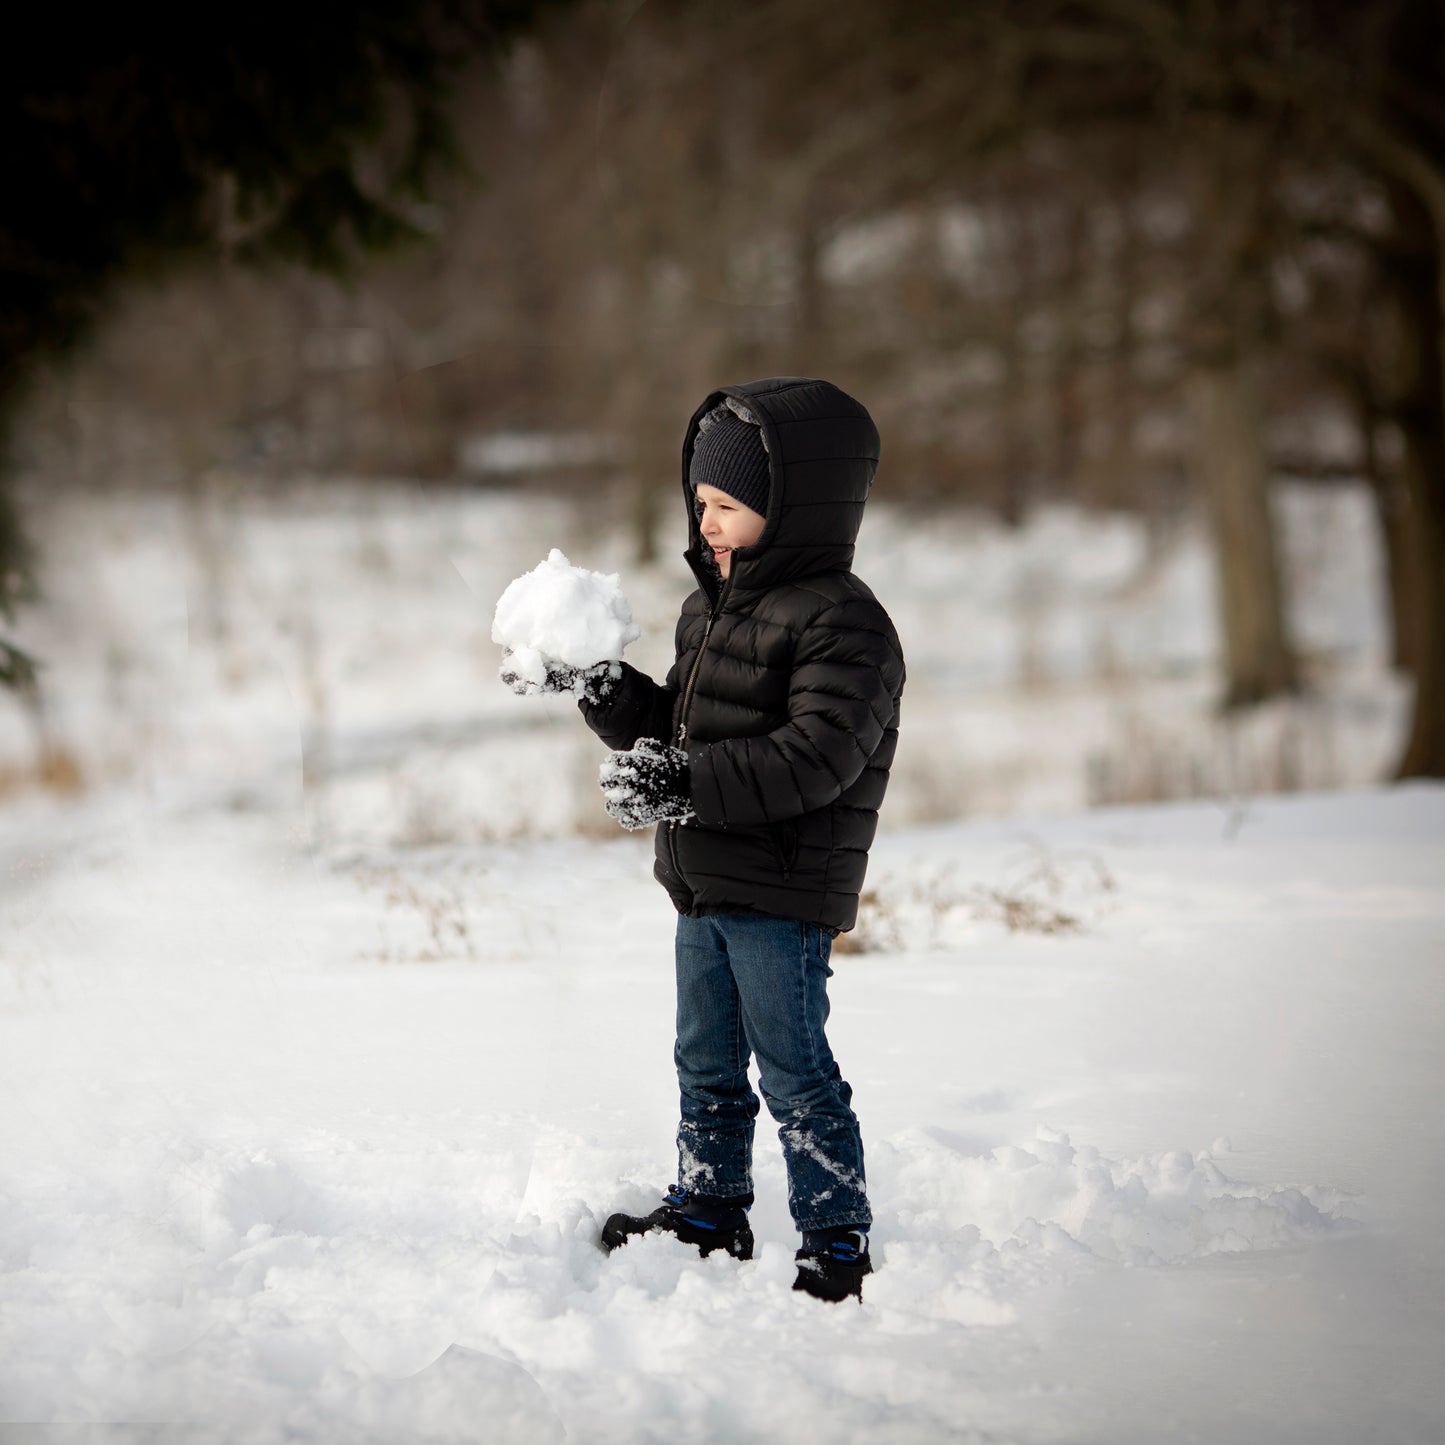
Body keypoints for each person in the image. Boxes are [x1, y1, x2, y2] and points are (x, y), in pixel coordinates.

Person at [504, 377, 904, 1302]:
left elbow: (816, 758)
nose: (708, 522)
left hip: (781, 887)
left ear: (794, 504)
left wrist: (680, 784)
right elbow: (686, 734)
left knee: (794, 1068)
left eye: (727, 504)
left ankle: (834, 1238)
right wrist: (608, 693)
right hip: (704, 881)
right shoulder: (710, 609)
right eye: (700, 502)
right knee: (705, 1060)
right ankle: (710, 1209)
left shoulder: (844, 624)